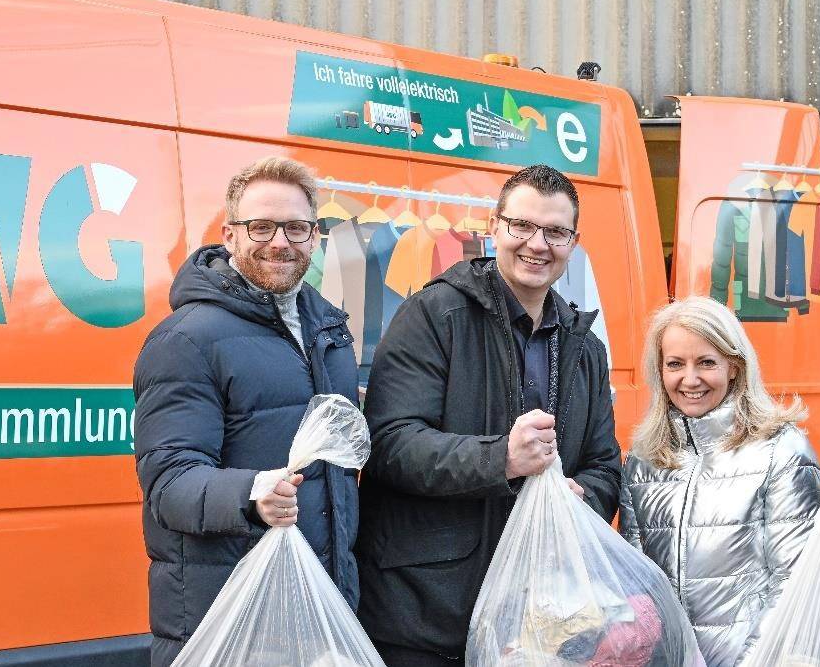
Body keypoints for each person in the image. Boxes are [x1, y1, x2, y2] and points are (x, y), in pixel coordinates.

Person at [356, 164, 623, 666]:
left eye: (555, 232)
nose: (537, 244)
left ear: (573, 242)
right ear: (494, 227)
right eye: (522, 225)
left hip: (537, 621)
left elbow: (605, 466)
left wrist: (580, 498)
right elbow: (389, 443)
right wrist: (501, 459)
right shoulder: (433, 316)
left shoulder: (585, 347)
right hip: (430, 616)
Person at [131, 157, 361, 666]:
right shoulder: (185, 340)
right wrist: (250, 493)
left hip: (319, 609)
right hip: (228, 619)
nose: (279, 242)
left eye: (296, 227)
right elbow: (167, 483)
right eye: (261, 227)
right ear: (230, 235)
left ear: (314, 237)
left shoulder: (331, 333)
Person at [617, 296, 820, 667]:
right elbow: (638, 586)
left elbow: (798, 584)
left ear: (734, 367)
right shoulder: (644, 459)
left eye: (706, 362)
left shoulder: (781, 450)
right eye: (675, 364)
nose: (690, 379)